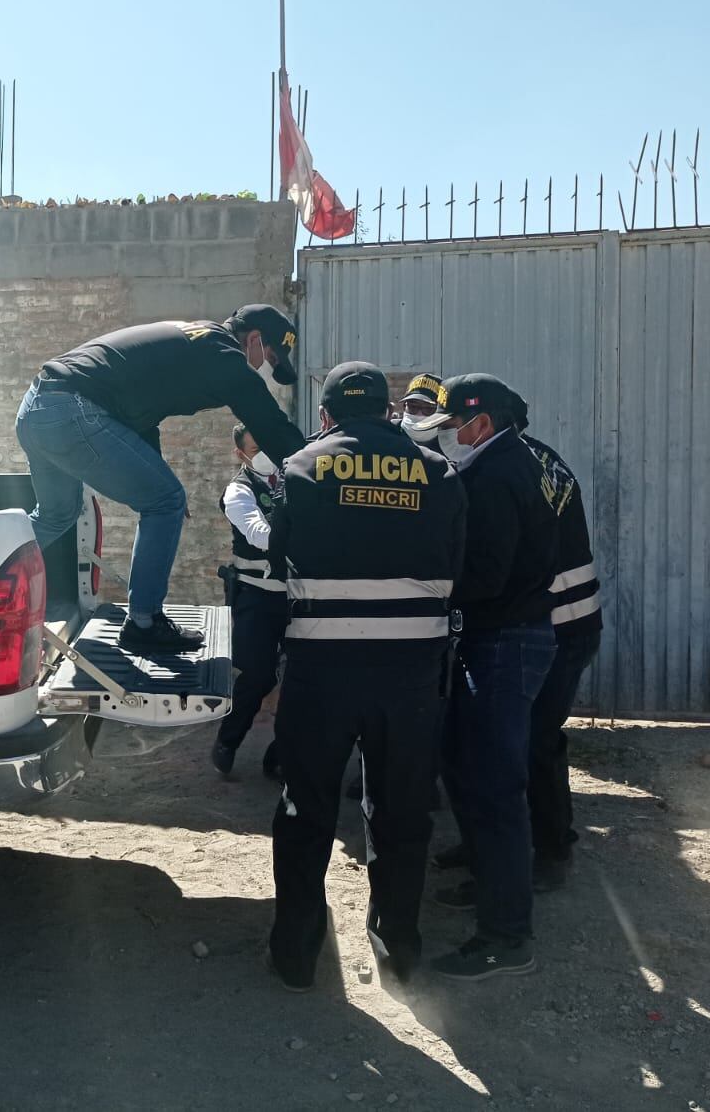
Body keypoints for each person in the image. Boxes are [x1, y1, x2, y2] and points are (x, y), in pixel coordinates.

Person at [265, 362, 466, 993]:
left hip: (321, 670)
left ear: (325, 416)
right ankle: (398, 949)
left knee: (307, 807)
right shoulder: (440, 472)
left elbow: (276, 563)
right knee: (403, 809)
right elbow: (460, 563)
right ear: (387, 412)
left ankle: (297, 955)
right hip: (410, 674)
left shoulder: (298, 468)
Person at [16, 306, 308, 654]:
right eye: (269, 358)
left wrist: (158, 474)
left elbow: (142, 416)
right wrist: (313, 472)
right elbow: (268, 423)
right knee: (164, 500)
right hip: (72, 411)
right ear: (255, 339)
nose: (263, 368)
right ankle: (144, 622)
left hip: (39, 408)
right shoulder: (224, 354)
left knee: (56, 516)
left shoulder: (195, 339)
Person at [419, 373, 559, 981]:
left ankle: (508, 936)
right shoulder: (517, 462)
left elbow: (489, 574)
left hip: (504, 640)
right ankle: (489, 883)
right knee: (469, 769)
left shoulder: (498, 474)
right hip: (503, 637)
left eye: (454, 427)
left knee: (497, 787)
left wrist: (433, 592)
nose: (451, 438)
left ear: (482, 422)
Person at [513, 394, 602, 891]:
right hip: (573, 623)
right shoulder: (544, 459)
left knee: (536, 741)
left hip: (556, 627)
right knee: (524, 739)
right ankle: (519, 838)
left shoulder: (517, 470)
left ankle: (551, 849)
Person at [212, 424, 287, 779]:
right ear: (240, 454)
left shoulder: (293, 478)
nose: (265, 454)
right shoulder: (238, 491)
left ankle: (281, 755)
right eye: (256, 449)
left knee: (304, 679)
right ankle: (228, 741)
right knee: (257, 677)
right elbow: (258, 534)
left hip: (295, 598)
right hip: (257, 598)